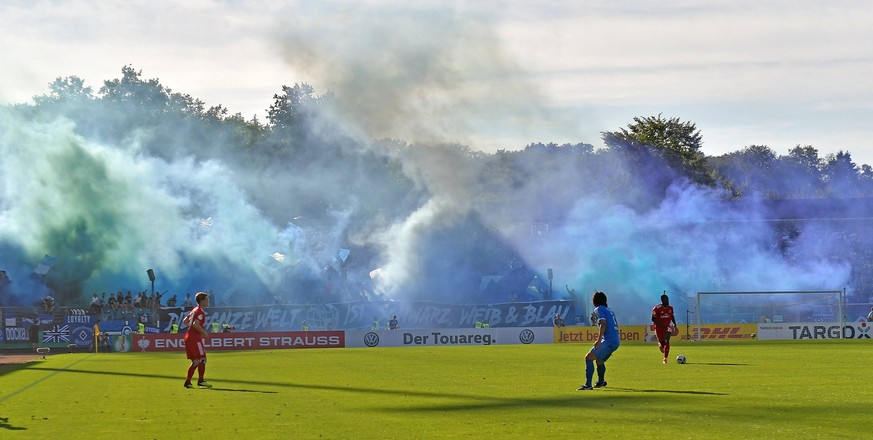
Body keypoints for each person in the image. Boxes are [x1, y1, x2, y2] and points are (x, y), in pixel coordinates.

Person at [578, 291, 620, 391]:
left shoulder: (599, 309)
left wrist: (598, 340)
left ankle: (588, 385)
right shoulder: (609, 310)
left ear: (595, 301)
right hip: (615, 341)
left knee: (588, 358)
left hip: (609, 341)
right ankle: (601, 381)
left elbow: (603, 323)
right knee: (599, 359)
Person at [183, 291, 212, 389]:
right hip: (194, 338)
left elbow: (185, 321)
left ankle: (188, 382)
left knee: (196, 360)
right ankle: (201, 380)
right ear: (201, 301)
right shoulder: (200, 312)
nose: (208, 301)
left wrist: (191, 328)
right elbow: (196, 324)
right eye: (206, 299)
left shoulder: (194, 310)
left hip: (188, 337)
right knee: (202, 359)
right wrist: (204, 332)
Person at [652, 293, 677, 364]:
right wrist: (661, 324)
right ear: (662, 301)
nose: (667, 301)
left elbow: (672, 316)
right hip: (659, 328)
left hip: (667, 327)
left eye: (668, 299)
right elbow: (653, 319)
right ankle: (660, 344)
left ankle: (665, 358)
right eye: (665, 300)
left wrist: (675, 323)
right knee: (663, 345)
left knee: (667, 341)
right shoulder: (657, 308)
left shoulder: (670, 308)